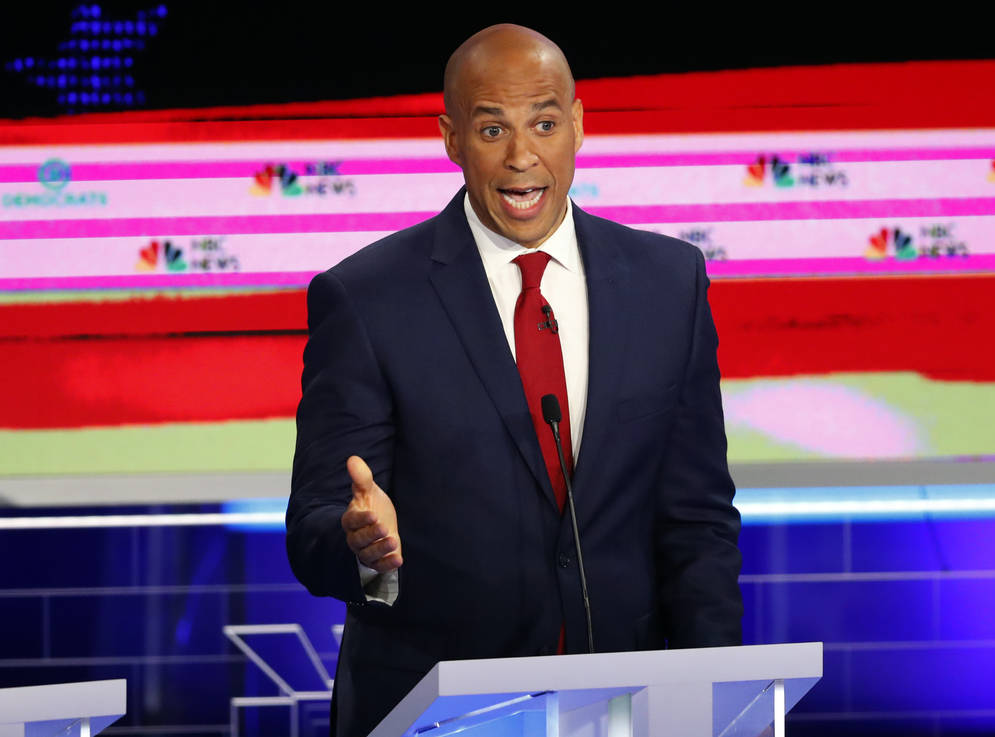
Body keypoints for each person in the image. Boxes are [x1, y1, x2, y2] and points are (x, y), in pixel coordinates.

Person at [287, 24, 743, 737]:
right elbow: (315, 522)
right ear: (450, 137)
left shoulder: (668, 284)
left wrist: (712, 698)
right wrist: (361, 549)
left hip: (621, 707)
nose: (523, 156)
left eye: (545, 123)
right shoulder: (368, 299)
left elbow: (697, 522)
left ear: (579, 124)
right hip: (435, 709)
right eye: (492, 127)